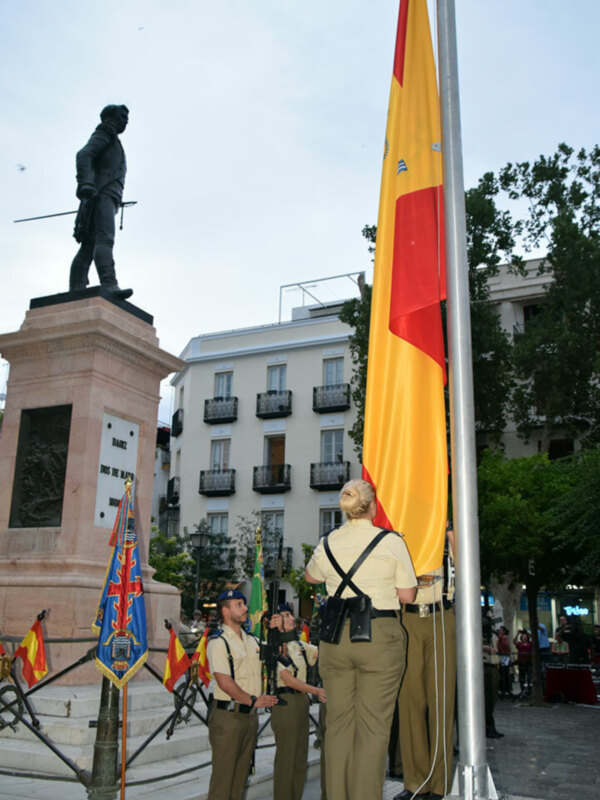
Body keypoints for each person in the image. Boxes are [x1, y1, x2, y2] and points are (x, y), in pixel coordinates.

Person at [305, 478, 417, 800]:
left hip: (335, 638)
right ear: (373, 506)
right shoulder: (391, 541)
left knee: (337, 727)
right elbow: (407, 595)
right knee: (373, 729)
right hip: (378, 636)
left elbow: (311, 576)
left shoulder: (327, 542)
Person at [394, 527, 457, 800]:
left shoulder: (446, 531)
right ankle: (415, 782)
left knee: (441, 702)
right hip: (406, 618)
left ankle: (440, 784)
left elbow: (468, 567)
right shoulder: (401, 530)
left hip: (440, 616)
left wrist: (450, 533)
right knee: (410, 703)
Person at [206, 589, 278, 800]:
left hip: (249, 717)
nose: (246, 608)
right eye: (239, 604)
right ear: (226, 611)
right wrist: (254, 700)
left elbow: (277, 653)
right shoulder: (219, 642)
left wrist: (276, 630)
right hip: (228, 718)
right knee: (223, 782)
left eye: (244, 604)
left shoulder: (252, 641)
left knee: (239, 782)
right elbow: (225, 682)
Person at [69, 104, 133, 300]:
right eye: (122, 116)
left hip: (106, 197)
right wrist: (85, 183)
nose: (126, 120)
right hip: (100, 196)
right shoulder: (105, 133)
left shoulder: (112, 138)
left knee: (89, 245)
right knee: (104, 239)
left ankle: (76, 288)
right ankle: (109, 282)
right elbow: (84, 154)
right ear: (109, 118)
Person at [270, 603, 326, 800]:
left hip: (301, 703)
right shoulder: (274, 647)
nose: (292, 619)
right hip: (286, 703)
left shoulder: (299, 645)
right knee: (287, 760)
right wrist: (316, 690)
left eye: (291, 615)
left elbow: (323, 652)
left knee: (300, 759)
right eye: (286, 615)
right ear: (276, 621)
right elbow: (287, 678)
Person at [513, 630, 533, 695]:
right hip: (521, 661)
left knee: (529, 676)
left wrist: (529, 634)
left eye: (525, 637)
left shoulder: (530, 644)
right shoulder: (519, 644)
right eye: (523, 637)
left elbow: (535, 641)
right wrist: (517, 634)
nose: (524, 638)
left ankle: (529, 690)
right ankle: (522, 690)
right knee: (522, 676)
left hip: (528, 661)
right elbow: (514, 641)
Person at [496, 625, 512, 697]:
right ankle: (503, 688)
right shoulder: (499, 638)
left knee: (505, 672)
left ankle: (506, 689)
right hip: (501, 655)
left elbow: (506, 645)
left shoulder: (504, 638)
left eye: (501, 630)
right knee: (502, 672)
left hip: (504, 656)